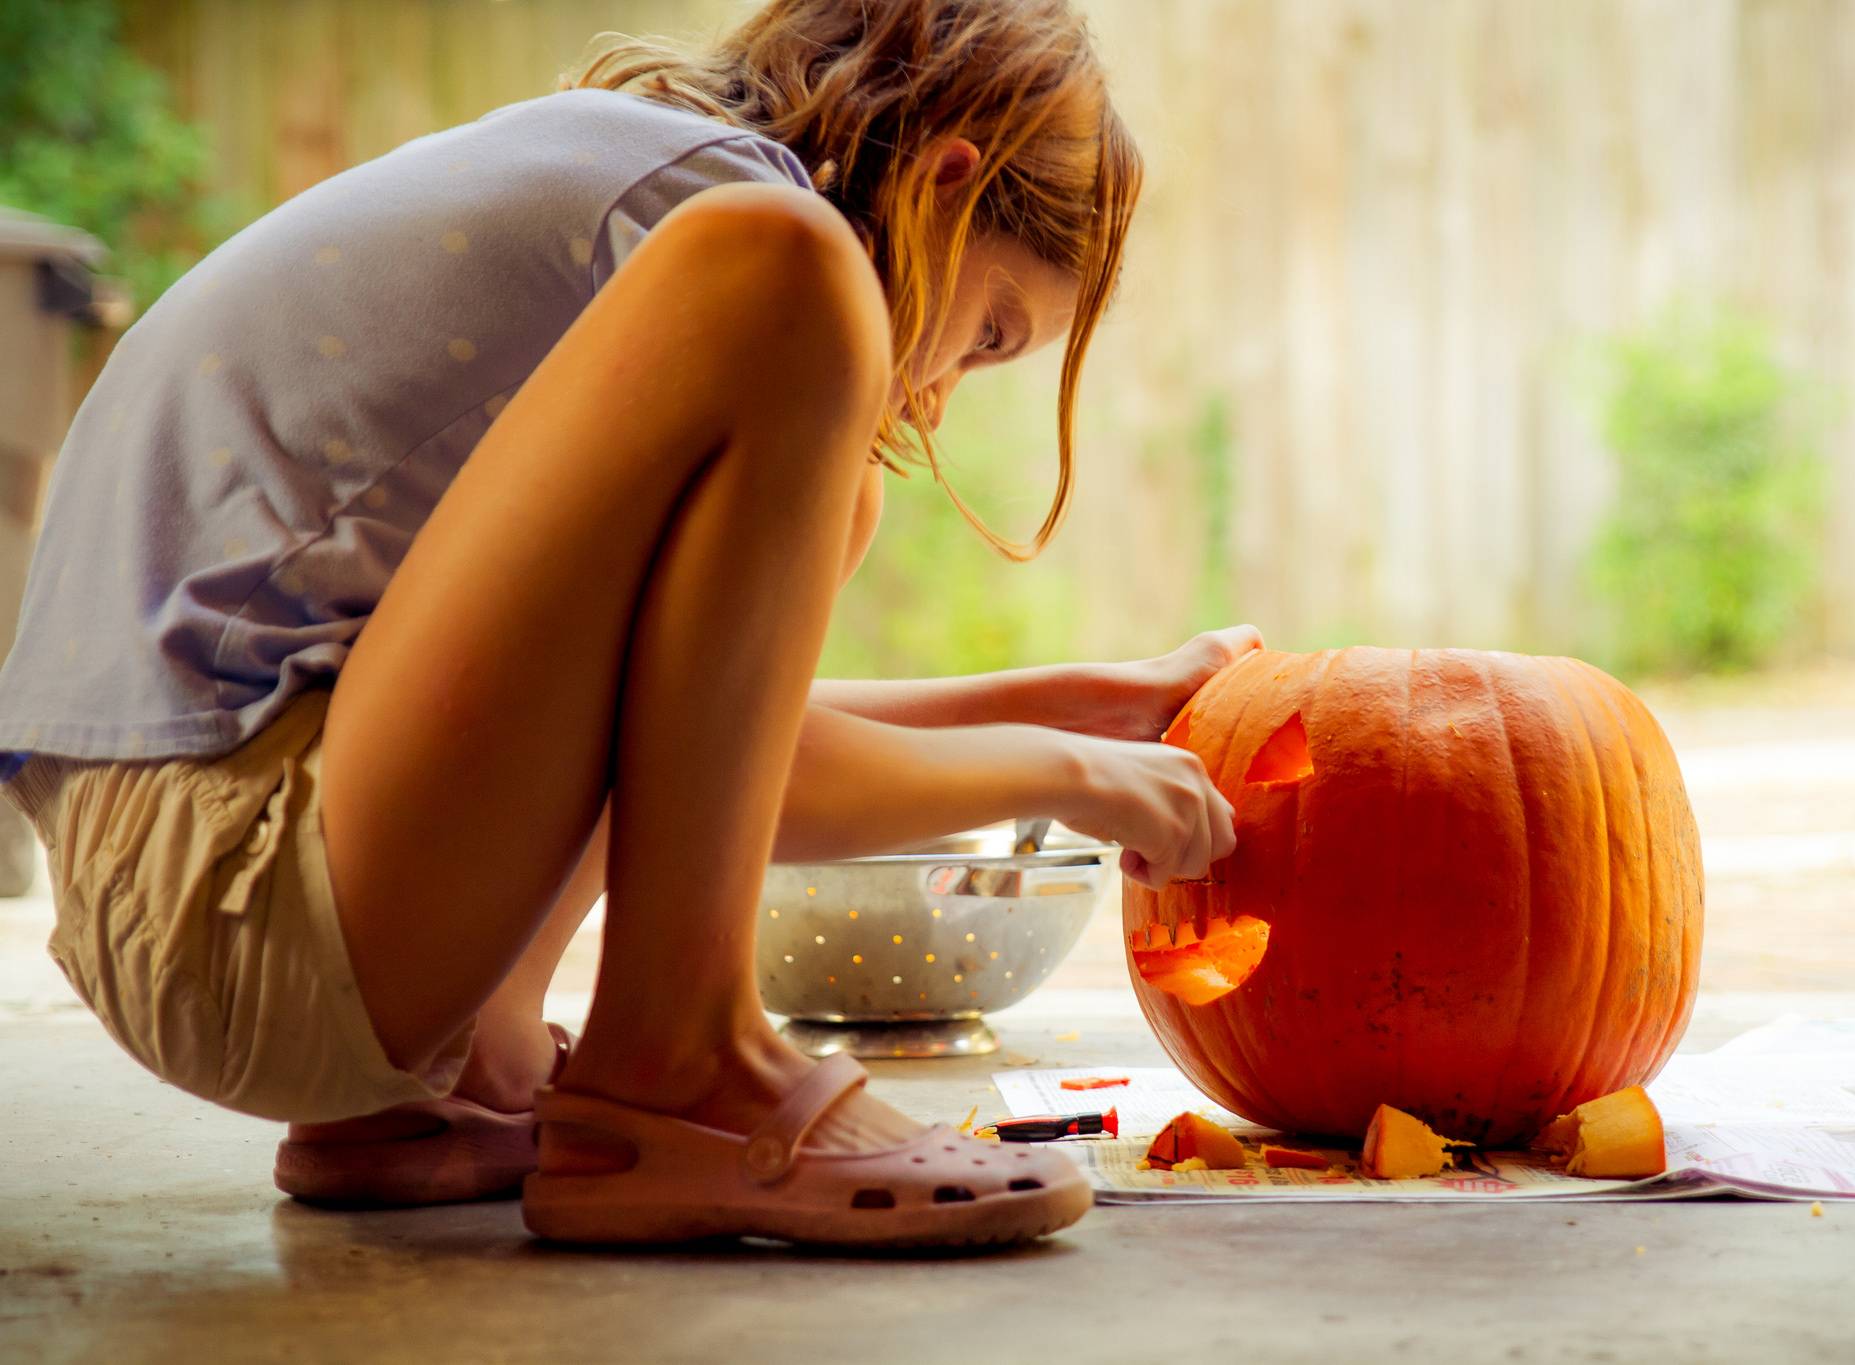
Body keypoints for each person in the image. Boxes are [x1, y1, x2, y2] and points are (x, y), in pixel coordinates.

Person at [0, 0, 1252, 1249]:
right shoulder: (726, 228)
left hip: (205, 889)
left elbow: (676, 740)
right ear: (941, 180)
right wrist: (1067, 771)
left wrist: (1072, 707)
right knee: (788, 269)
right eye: (984, 336)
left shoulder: (610, 185)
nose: (932, 389)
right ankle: (681, 1065)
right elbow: (699, 769)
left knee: (842, 462)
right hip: (240, 880)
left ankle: (456, 1090)